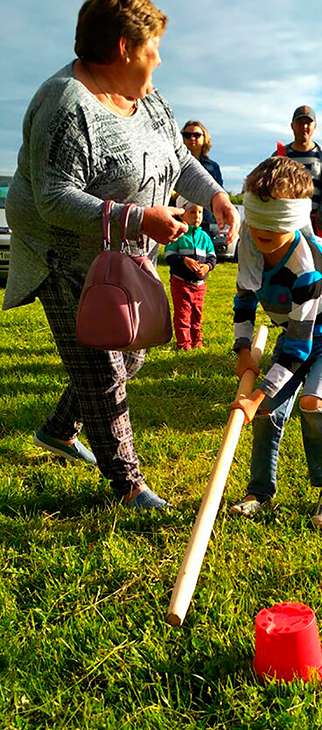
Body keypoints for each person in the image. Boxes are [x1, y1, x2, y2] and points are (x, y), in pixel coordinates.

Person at [3, 0, 238, 511]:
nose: (160, 60)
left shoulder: (149, 100)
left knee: (130, 352)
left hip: (125, 255)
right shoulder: (65, 105)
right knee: (103, 369)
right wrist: (138, 219)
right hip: (62, 256)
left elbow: (179, 160)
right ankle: (128, 485)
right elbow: (53, 198)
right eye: (154, 49)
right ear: (124, 48)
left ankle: (59, 429)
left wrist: (216, 195)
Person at [229, 157, 322, 530]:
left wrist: (255, 396)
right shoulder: (250, 241)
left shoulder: (306, 268)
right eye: (255, 225)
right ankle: (259, 492)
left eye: (270, 230)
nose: (259, 235)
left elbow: (298, 350)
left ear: (291, 220)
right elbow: (244, 297)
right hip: (294, 330)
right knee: (269, 411)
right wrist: (243, 349)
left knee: (312, 402)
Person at [273, 105, 322, 249]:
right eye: (300, 122)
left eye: (308, 123)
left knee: (317, 260)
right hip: (288, 223)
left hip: (316, 225)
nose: (304, 127)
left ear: (315, 127)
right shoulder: (280, 156)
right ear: (292, 126)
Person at [164, 196, 216, 350]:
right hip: (181, 283)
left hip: (199, 285)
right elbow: (169, 257)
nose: (197, 216)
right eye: (192, 212)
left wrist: (207, 267)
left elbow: (212, 257)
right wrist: (184, 260)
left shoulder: (204, 237)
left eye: (200, 212)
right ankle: (184, 343)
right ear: (182, 215)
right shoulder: (177, 235)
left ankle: (196, 340)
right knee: (183, 313)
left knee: (197, 313)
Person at [181, 120, 223, 236]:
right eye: (187, 135)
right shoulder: (175, 164)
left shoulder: (213, 167)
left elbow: (219, 192)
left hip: (205, 220)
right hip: (180, 218)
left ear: (205, 138)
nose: (192, 138)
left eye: (196, 135)